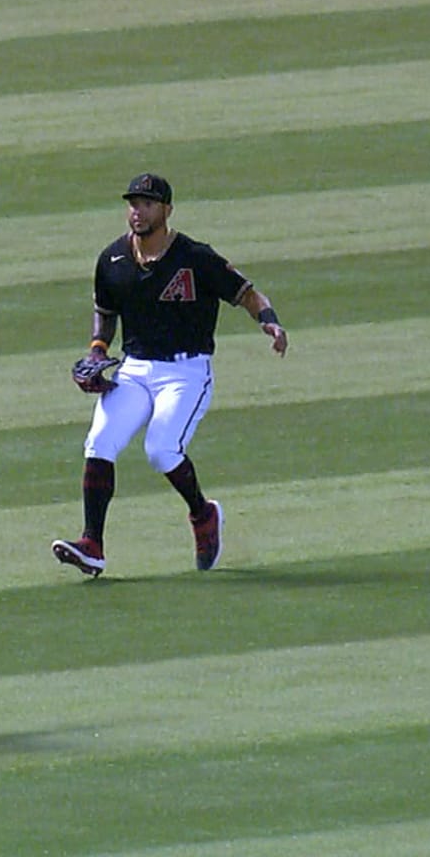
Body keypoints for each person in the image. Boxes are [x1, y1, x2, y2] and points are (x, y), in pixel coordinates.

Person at [50, 173, 288, 578]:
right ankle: (92, 544)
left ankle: (203, 515)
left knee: (161, 449)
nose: (137, 211)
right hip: (136, 368)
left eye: (146, 203)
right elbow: (105, 315)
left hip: (186, 372)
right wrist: (96, 350)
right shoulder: (112, 260)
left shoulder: (195, 257)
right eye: (133, 203)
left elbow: (246, 293)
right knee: (100, 440)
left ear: (166, 210)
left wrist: (269, 321)